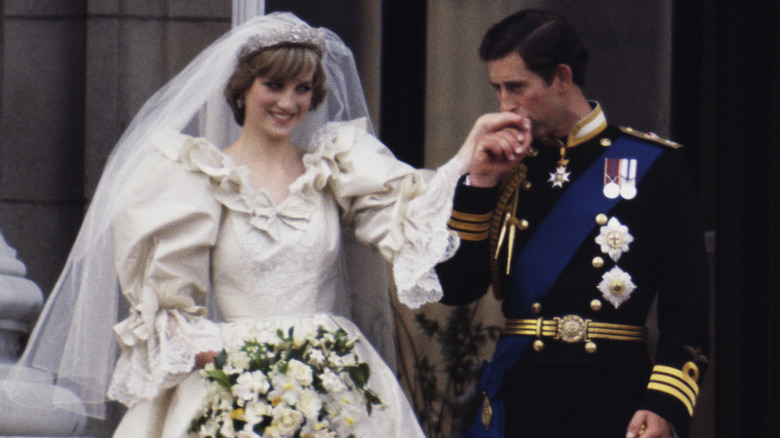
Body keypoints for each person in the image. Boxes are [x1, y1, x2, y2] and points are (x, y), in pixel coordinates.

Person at [0, 12, 517, 438]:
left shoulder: (335, 163)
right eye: (274, 85)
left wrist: (469, 164)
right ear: (243, 88)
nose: (288, 102)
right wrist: (250, 364)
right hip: (228, 388)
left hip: (336, 381)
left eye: (302, 88)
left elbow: (411, 221)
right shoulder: (193, 177)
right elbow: (167, 315)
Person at [435, 9, 710, 438]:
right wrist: (480, 183)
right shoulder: (504, 167)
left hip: (612, 397)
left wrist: (664, 404)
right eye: (498, 89)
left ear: (561, 77)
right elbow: (456, 288)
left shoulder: (655, 165)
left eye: (516, 87)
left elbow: (687, 312)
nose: (504, 104)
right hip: (521, 393)